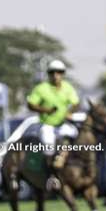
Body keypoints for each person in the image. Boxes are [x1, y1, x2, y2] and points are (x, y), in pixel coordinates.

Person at [26, 59, 79, 187]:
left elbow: (76, 103)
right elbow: (31, 104)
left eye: (59, 72)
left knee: (76, 134)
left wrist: (69, 112)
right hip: (47, 125)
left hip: (63, 124)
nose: (56, 75)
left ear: (63, 74)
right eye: (52, 72)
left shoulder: (68, 87)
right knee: (48, 143)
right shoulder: (41, 88)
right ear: (49, 74)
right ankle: (51, 176)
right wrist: (45, 110)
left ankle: (73, 165)